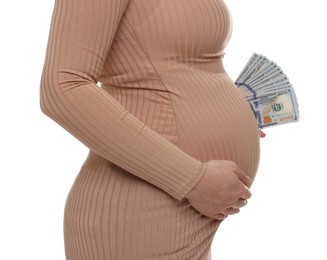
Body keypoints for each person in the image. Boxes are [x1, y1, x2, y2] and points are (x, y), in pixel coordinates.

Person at [40, 0, 264, 259]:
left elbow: (170, 66)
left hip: (183, 217)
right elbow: (62, 89)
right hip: (140, 213)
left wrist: (221, 109)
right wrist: (192, 179)